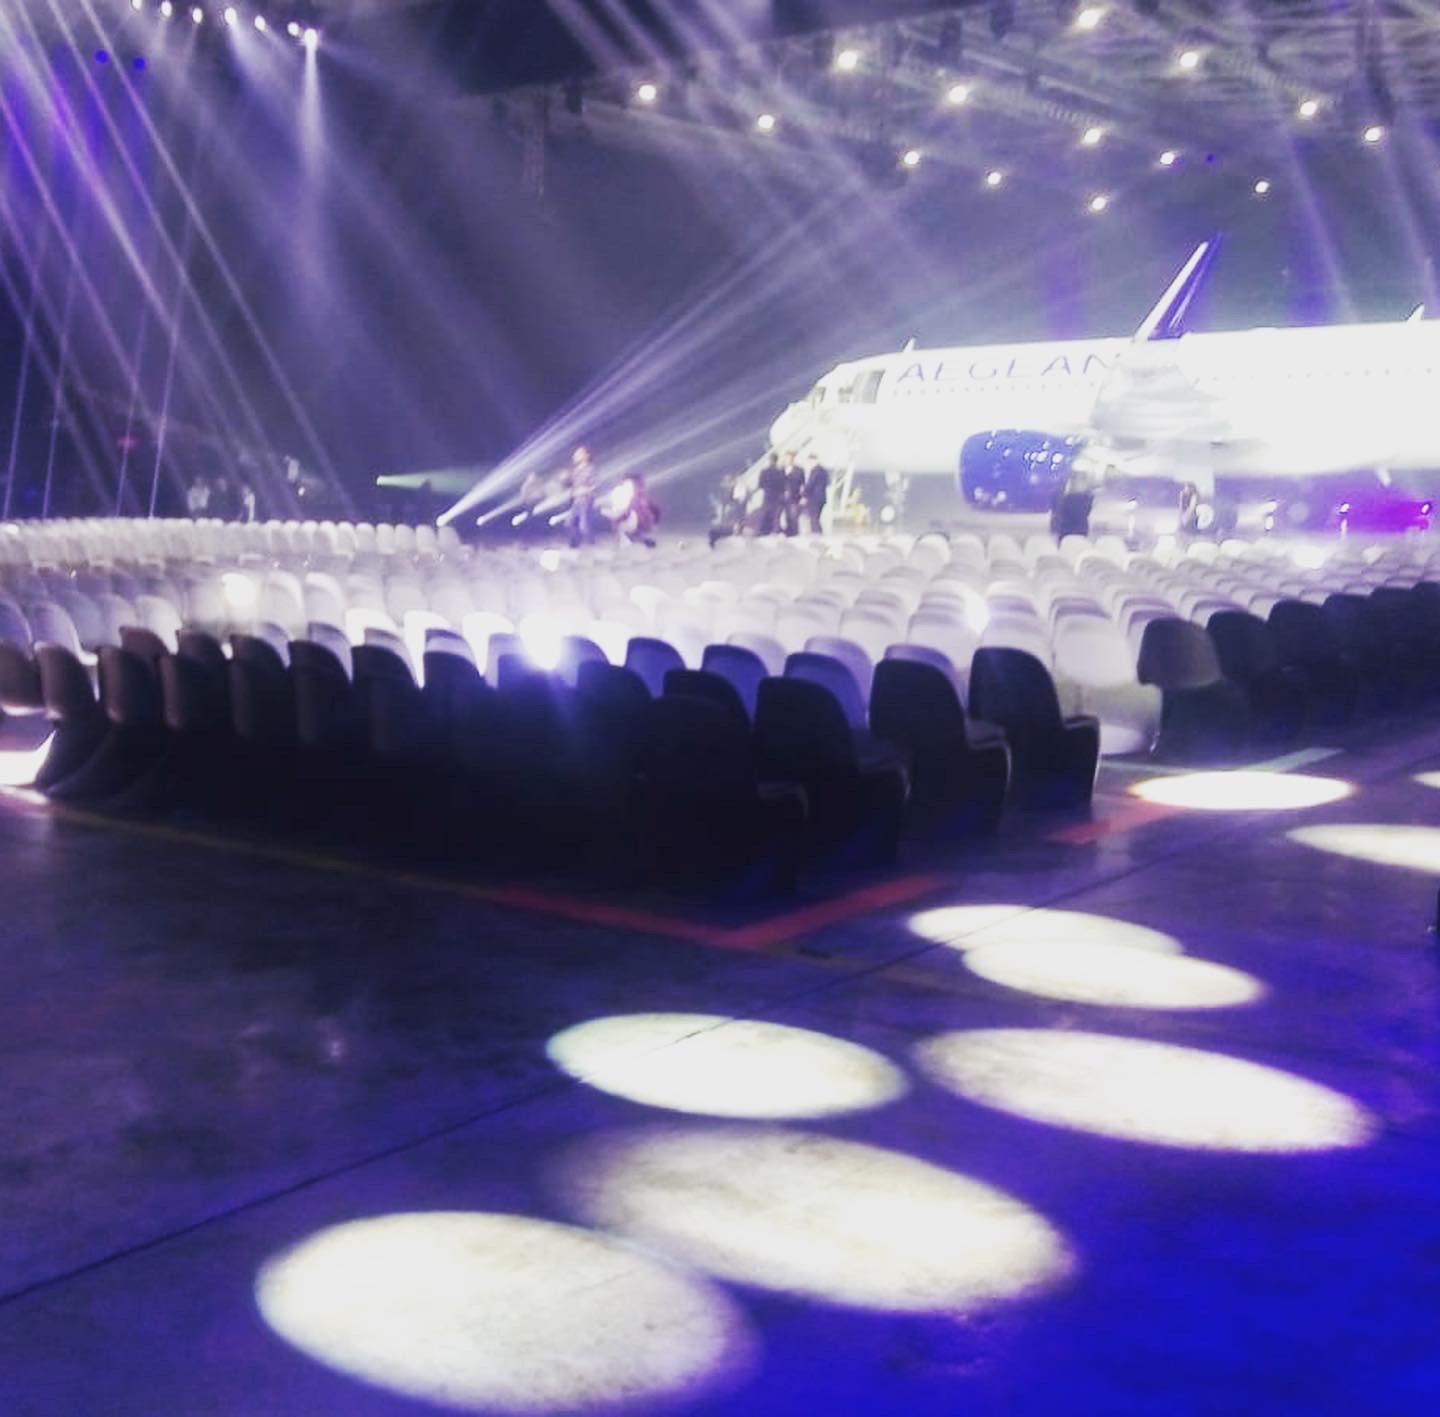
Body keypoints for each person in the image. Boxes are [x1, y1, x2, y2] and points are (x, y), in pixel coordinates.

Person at [566, 445, 598, 547]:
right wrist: (565, 481)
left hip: (586, 500)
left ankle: (590, 543)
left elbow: (595, 485)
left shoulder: (590, 469)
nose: (575, 456)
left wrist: (585, 491)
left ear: (586, 456)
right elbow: (571, 485)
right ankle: (575, 543)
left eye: (578, 454)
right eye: (575, 454)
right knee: (570, 522)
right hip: (576, 500)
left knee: (584, 525)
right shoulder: (575, 470)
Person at [756, 453, 786, 535]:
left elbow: (760, 484)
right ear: (777, 460)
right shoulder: (780, 472)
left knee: (765, 513)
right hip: (777, 496)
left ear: (769, 460)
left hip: (767, 495)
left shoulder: (764, 471)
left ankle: (763, 530)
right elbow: (783, 485)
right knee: (776, 514)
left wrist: (767, 488)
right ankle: (775, 530)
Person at [804, 455, 831, 534]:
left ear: (813, 460)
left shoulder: (814, 471)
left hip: (814, 498)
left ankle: (816, 535)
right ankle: (819, 534)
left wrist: (804, 493)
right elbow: (828, 482)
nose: (809, 464)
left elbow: (810, 484)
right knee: (816, 518)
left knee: (813, 518)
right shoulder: (824, 471)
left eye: (809, 462)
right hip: (822, 498)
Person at [782, 452, 805, 536]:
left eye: (789, 458)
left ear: (792, 459)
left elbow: (802, 484)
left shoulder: (799, 470)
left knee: (793, 515)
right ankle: (788, 532)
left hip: (795, 496)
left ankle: (794, 533)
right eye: (786, 458)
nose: (787, 460)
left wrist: (803, 496)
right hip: (783, 497)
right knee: (787, 515)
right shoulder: (781, 470)